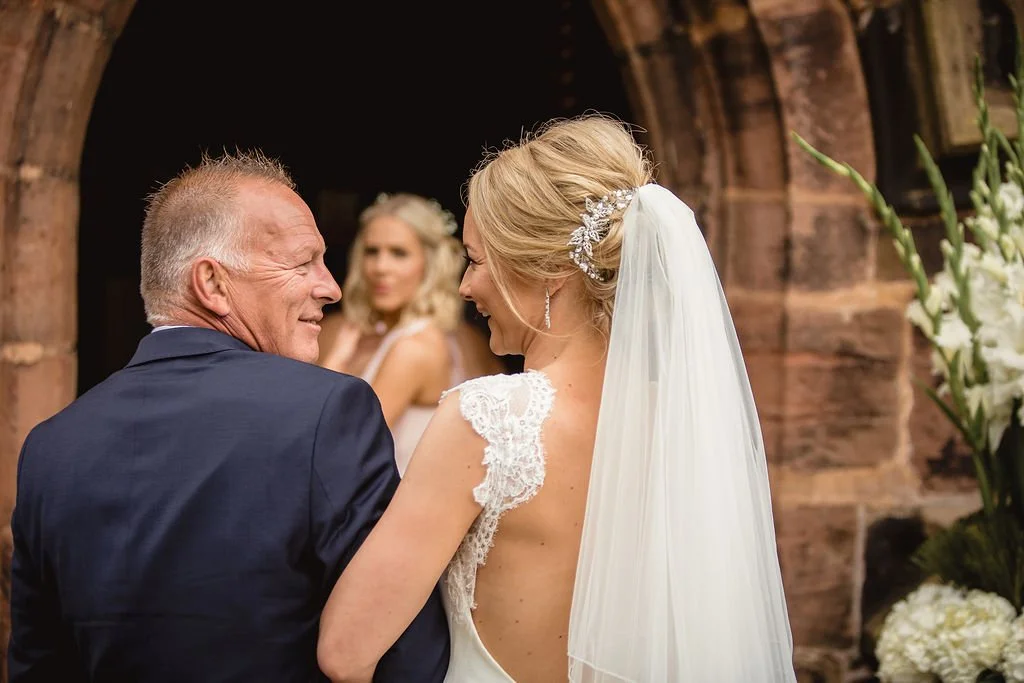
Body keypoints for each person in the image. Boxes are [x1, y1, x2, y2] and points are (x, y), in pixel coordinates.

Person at [316, 113, 796, 682]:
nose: (466, 287)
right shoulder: (683, 422)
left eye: (475, 260)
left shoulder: (487, 421)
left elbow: (345, 652)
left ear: (548, 273)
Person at [7, 151, 449, 682]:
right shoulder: (328, 412)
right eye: (302, 262)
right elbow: (405, 655)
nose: (331, 287)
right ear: (213, 284)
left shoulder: (50, 446)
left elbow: (36, 666)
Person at [317, 192, 502, 475]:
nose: (381, 268)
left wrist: (335, 364)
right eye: (372, 251)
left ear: (430, 263)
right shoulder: (344, 330)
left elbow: (340, 448)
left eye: (398, 253)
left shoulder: (416, 347)